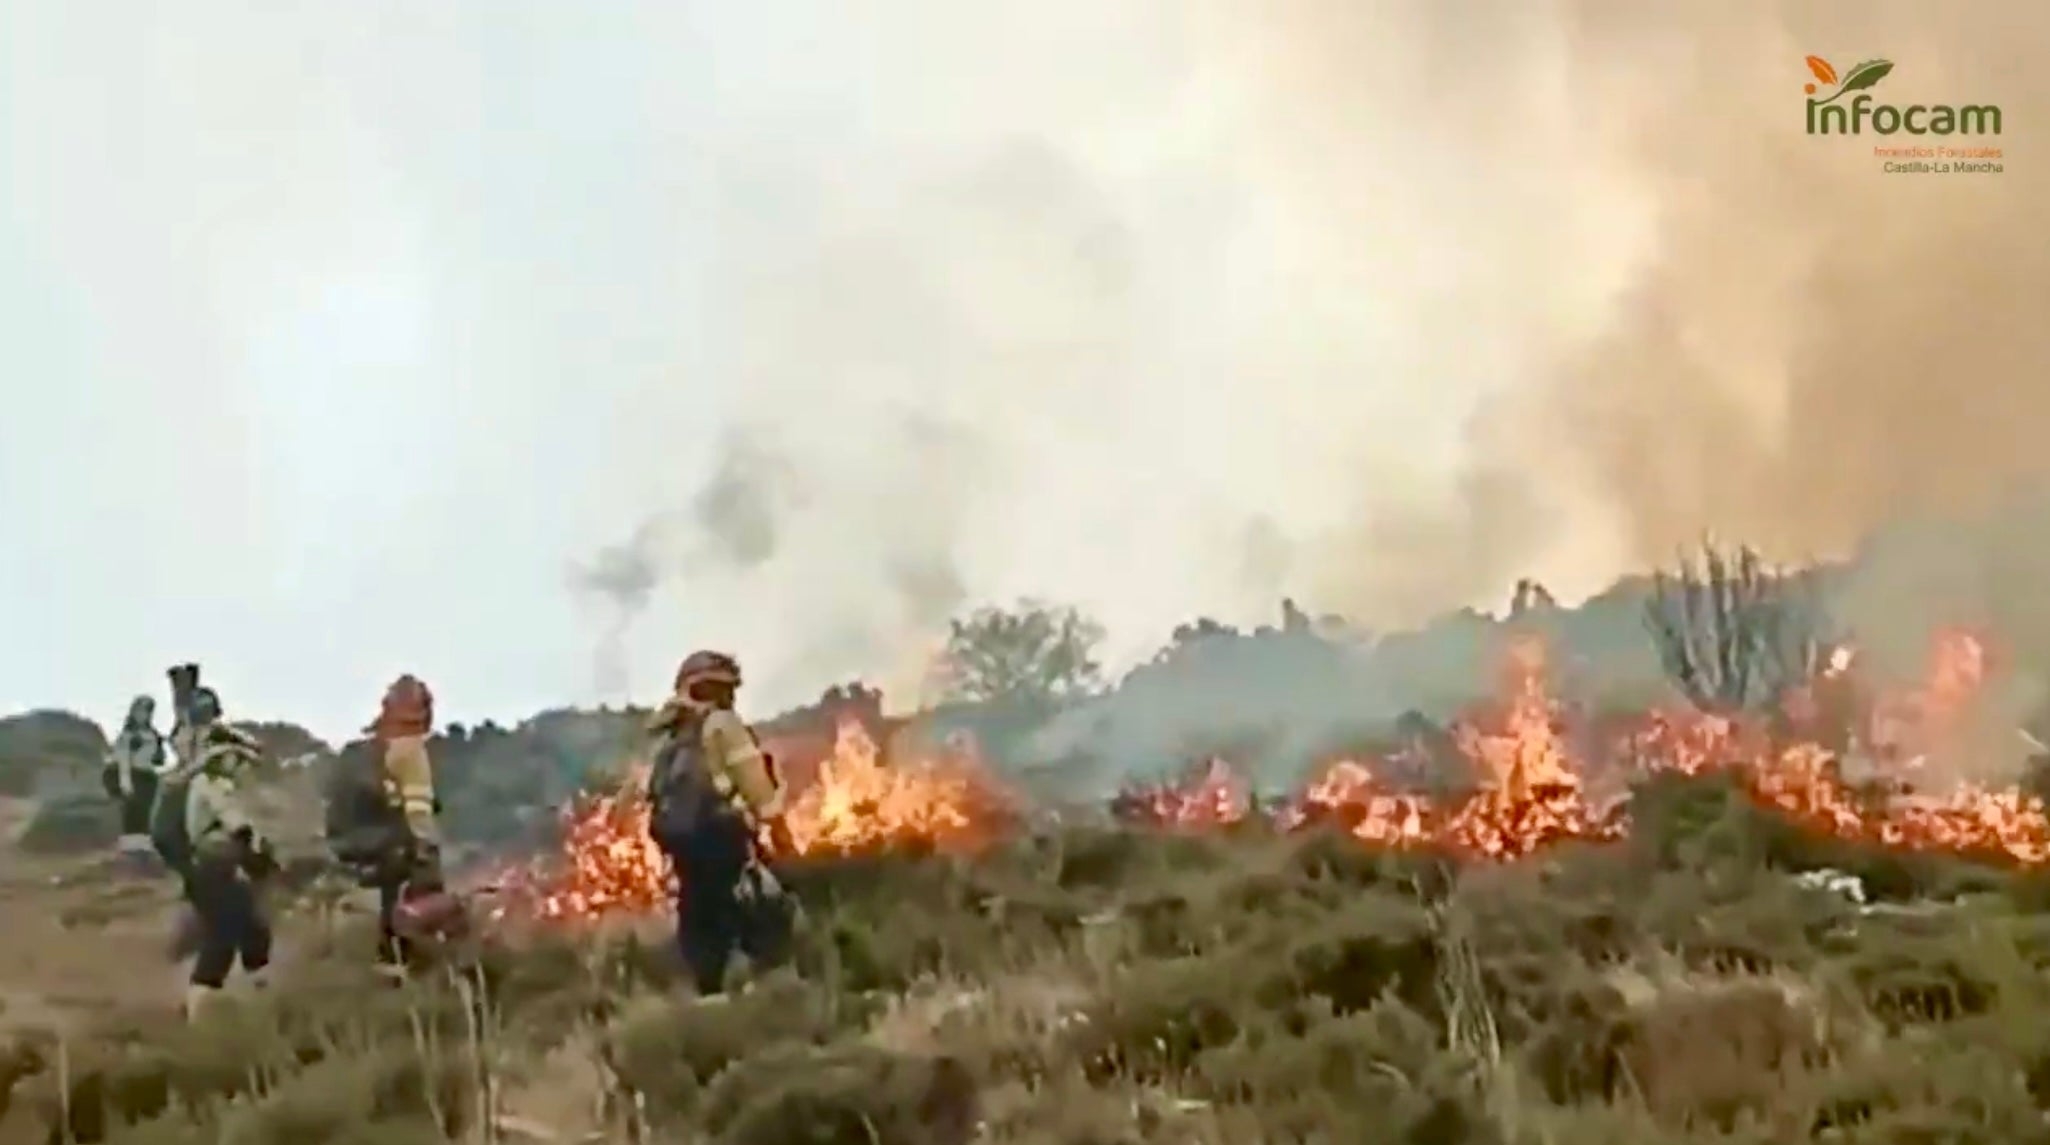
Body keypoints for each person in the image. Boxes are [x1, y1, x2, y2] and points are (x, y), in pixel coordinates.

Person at [644, 650, 794, 999]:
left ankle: (707, 992)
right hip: (720, 835)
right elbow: (754, 782)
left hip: (682, 844)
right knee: (757, 910)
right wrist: (779, 830)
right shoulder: (723, 725)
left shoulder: (672, 734)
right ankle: (769, 991)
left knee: (698, 913)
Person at [179, 689, 275, 1019]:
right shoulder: (212, 784)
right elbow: (238, 828)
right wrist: (259, 858)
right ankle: (197, 1015)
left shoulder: (213, 780)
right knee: (224, 937)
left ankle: (260, 1002)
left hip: (214, 868)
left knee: (253, 933)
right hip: (212, 869)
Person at [364, 673, 450, 975]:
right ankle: (417, 960)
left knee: (394, 891)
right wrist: (426, 844)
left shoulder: (380, 746)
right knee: (425, 891)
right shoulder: (411, 751)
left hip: (375, 838)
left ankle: (389, 958)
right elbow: (417, 804)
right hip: (401, 838)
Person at [102, 695, 166, 868]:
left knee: (146, 813)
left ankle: (144, 850)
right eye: (141, 710)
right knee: (132, 812)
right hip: (133, 774)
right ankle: (130, 852)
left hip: (148, 776)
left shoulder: (153, 734)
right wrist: (125, 781)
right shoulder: (129, 735)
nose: (145, 715)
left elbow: (159, 759)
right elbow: (123, 758)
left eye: (148, 711)